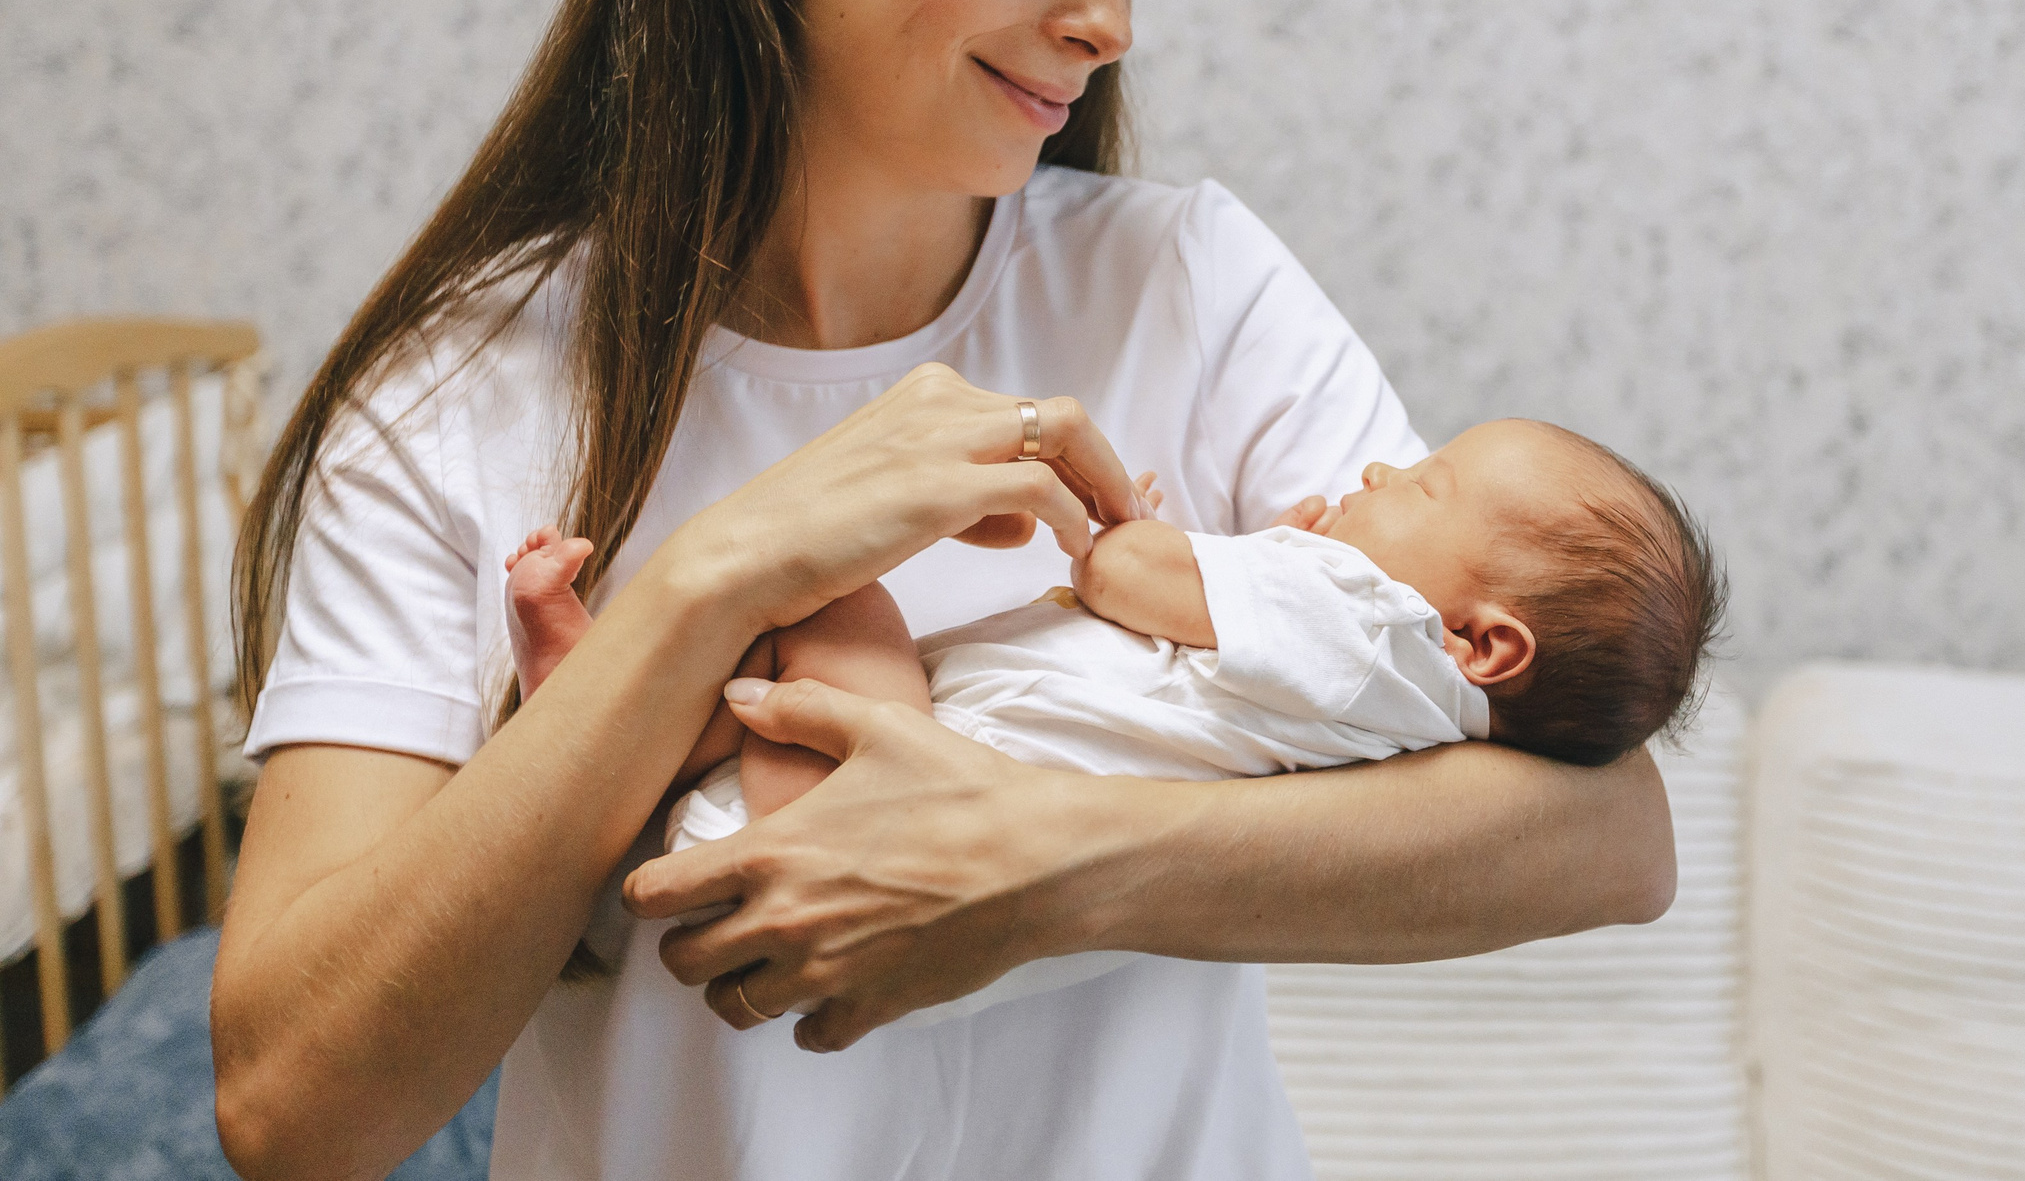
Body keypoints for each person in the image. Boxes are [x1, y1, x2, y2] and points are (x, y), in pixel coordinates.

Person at [209, 0, 1678, 1181]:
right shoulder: (457, 393)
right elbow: (292, 1112)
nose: (1108, 16)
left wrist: (1031, 865)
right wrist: (706, 590)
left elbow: (1605, 838)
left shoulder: (1187, 284)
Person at [501, 418, 1721, 851]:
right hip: (853, 810)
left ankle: (597, 696)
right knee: (787, 666)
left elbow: (1132, 577)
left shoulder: (1359, 625)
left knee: (835, 589)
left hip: (862, 800)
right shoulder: (1405, 712)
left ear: (1483, 645)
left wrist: (1125, 536)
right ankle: (608, 714)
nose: (1386, 464)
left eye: (1425, 488)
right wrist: (1259, 563)